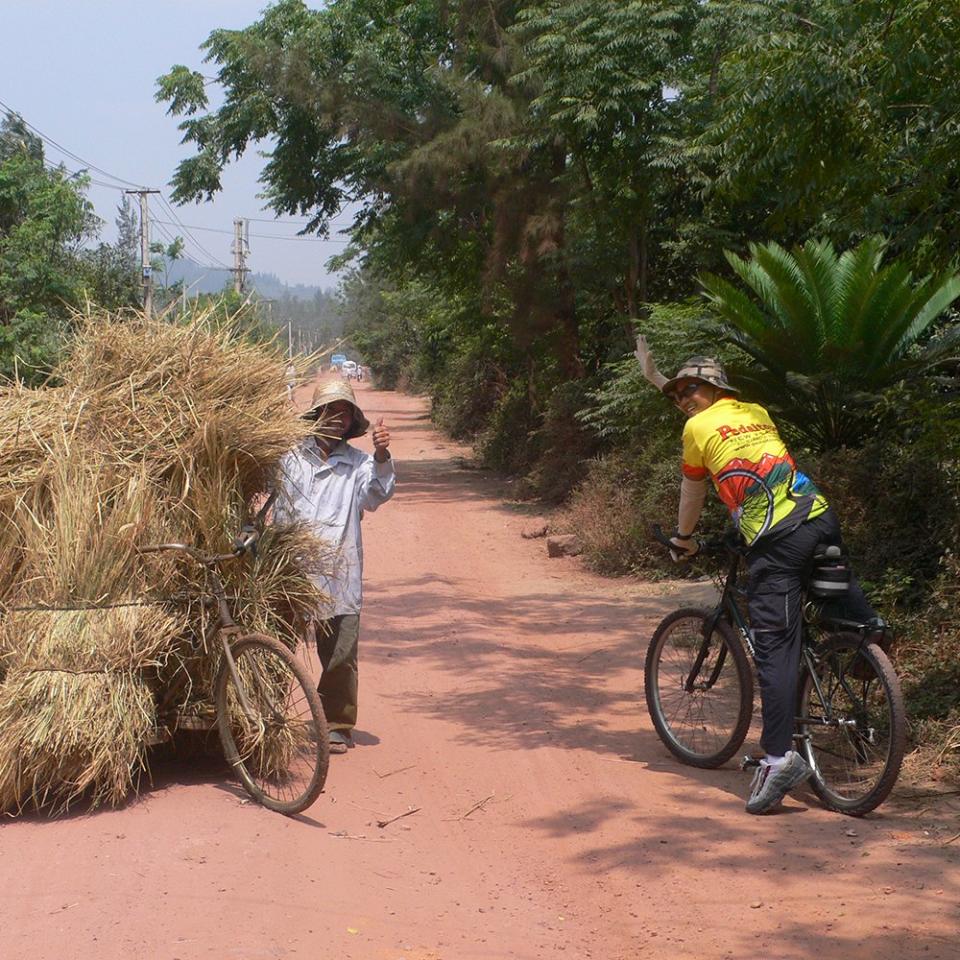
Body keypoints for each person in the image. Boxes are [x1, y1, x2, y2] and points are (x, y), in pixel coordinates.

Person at [635, 337, 880, 814]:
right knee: (830, 591)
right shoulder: (756, 411)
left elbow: (693, 489)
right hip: (818, 514)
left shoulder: (697, 428)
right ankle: (870, 635)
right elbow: (707, 413)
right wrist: (658, 379)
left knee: (775, 646)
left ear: (710, 389)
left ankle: (779, 758)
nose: (684, 399)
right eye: (679, 392)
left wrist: (684, 539)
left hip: (777, 535)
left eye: (691, 391)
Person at [275, 379, 396, 754]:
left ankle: (337, 725)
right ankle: (264, 716)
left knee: (340, 654)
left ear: (351, 422)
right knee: (275, 647)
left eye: (344, 413)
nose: (337, 419)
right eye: (330, 411)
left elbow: (376, 495)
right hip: (289, 570)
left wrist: (380, 457)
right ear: (316, 415)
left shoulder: (359, 464)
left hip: (339, 568)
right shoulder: (288, 458)